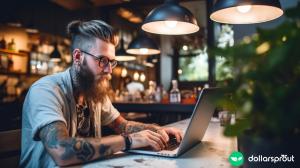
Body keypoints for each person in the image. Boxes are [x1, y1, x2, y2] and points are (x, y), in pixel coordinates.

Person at [20, 20, 182, 167]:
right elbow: (62, 151)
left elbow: (122, 125)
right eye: (102, 60)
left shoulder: (94, 91)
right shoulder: (45, 90)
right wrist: (130, 140)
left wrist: (156, 130)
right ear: (78, 57)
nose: (109, 70)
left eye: (111, 62)